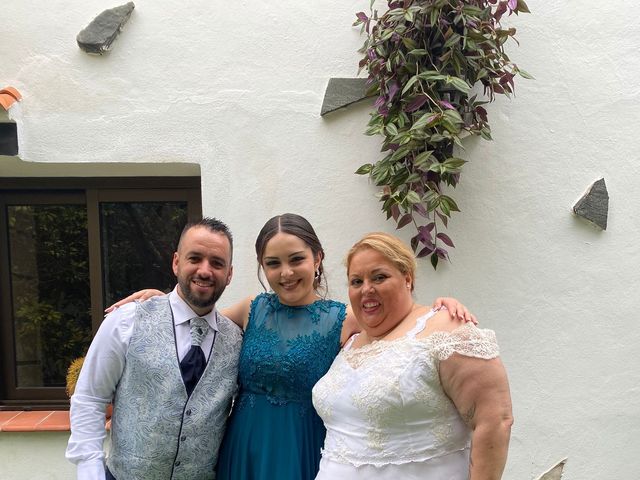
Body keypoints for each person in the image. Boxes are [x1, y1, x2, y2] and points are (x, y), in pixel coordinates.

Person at [108, 214, 476, 480]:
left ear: (317, 259)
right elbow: (195, 319)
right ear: (262, 268)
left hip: (302, 448)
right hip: (243, 447)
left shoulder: (344, 317)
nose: (286, 273)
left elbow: (402, 324)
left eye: (296, 259)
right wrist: (159, 299)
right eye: (273, 263)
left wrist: (440, 307)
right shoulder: (253, 308)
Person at [312, 232, 513, 480]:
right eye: (356, 281)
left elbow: (495, 420)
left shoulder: (445, 329)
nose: (366, 289)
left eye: (379, 277)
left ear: (407, 278)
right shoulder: (350, 337)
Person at [66, 218, 243, 480]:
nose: (205, 271)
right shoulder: (127, 320)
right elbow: (90, 398)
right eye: (194, 258)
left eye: (217, 263)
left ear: (229, 274)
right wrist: (91, 471)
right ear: (176, 262)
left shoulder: (237, 341)